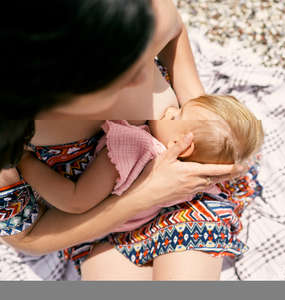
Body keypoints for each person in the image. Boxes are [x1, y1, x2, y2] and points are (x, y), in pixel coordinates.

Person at [0, 0, 260, 280]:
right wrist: (145, 195)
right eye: (121, 76)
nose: (145, 76)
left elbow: (173, 29)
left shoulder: (136, 13)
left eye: (143, 57)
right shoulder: (9, 139)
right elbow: (28, 236)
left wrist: (197, 107)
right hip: (101, 229)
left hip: (184, 205)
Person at [17, 95, 264, 233]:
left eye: (176, 114)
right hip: (141, 223)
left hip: (100, 221)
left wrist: (26, 162)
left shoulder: (134, 148)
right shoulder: (193, 176)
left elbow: (77, 202)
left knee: (74, 198)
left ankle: (23, 160)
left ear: (181, 144)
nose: (169, 110)